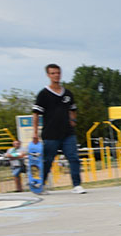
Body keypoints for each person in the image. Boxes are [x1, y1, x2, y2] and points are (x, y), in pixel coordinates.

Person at [32, 63, 86, 194]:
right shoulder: (43, 94)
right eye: (53, 73)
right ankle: (41, 185)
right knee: (48, 160)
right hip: (51, 133)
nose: (56, 75)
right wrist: (35, 133)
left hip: (67, 133)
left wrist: (73, 120)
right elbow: (36, 114)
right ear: (48, 75)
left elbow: (73, 109)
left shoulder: (67, 93)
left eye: (58, 73)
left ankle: (76, 185)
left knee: (73, 158)